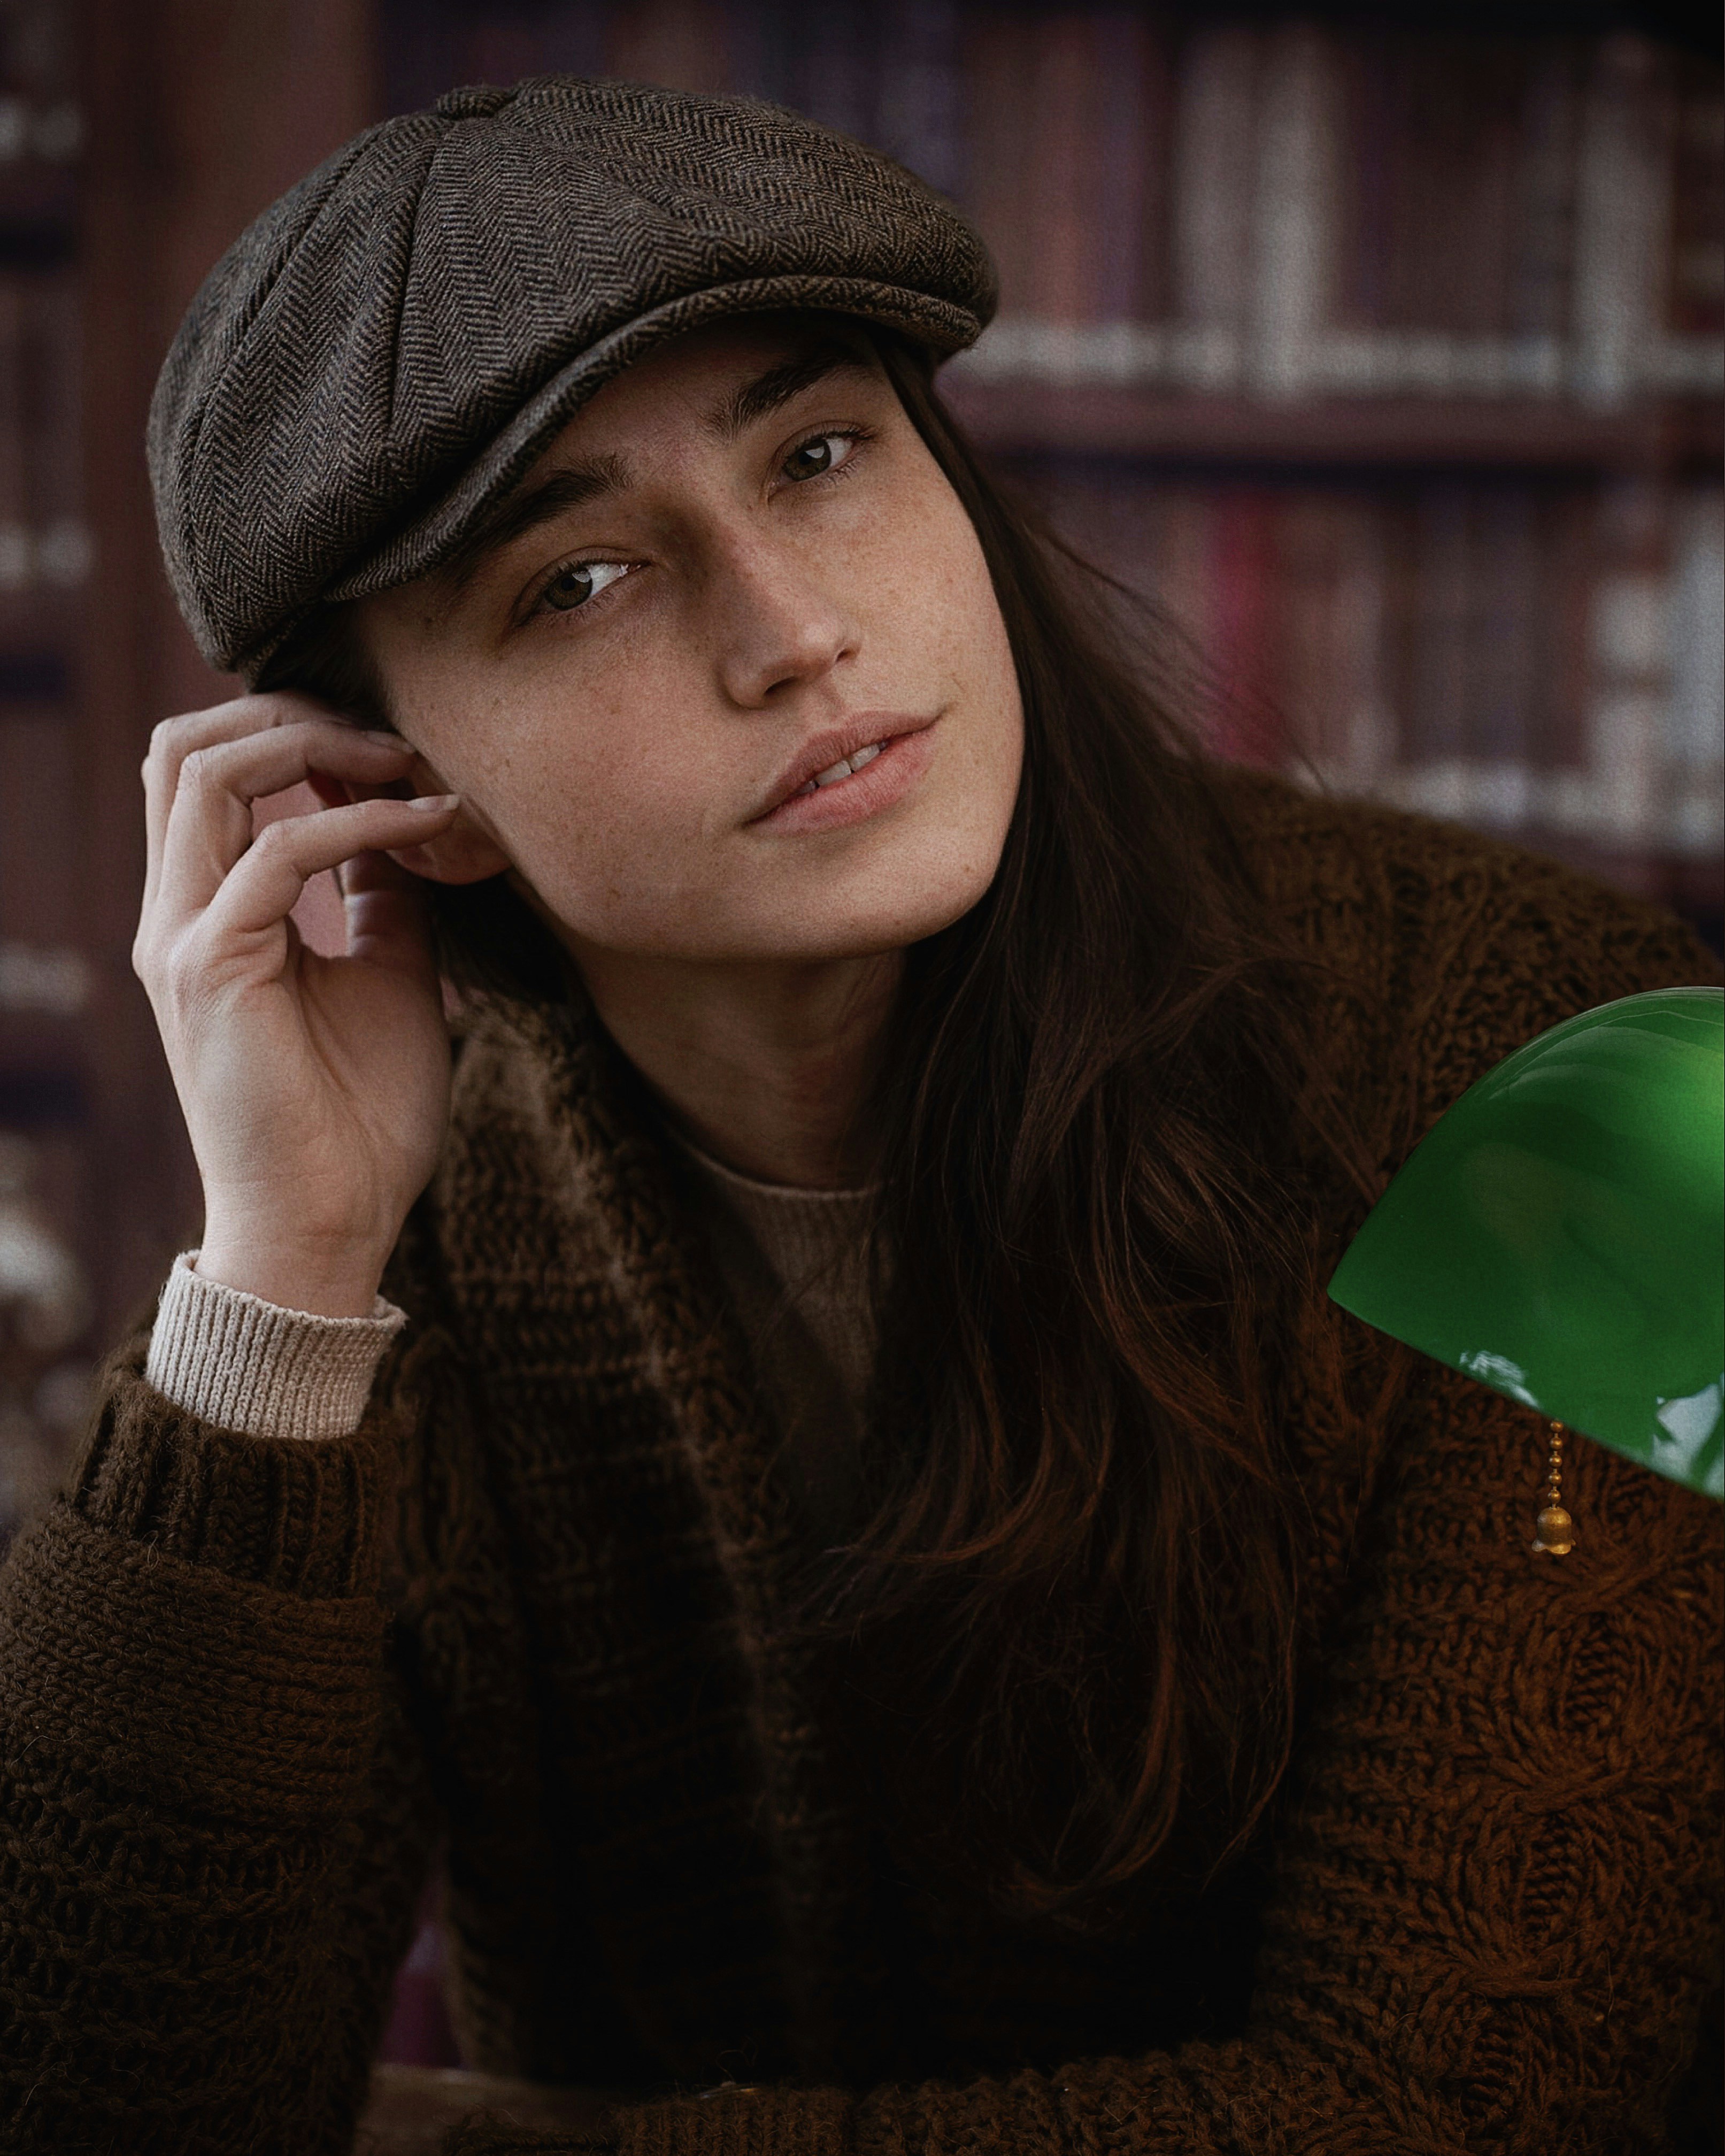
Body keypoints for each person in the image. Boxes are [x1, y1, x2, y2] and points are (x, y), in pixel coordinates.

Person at [0, 75, 1719, 2156]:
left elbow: (1466, 2106)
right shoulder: (392, 1230)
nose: (792, 631)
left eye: (818, 455)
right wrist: (279, 1280)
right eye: (578, 580)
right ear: (390, 785)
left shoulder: (1604, 1072)